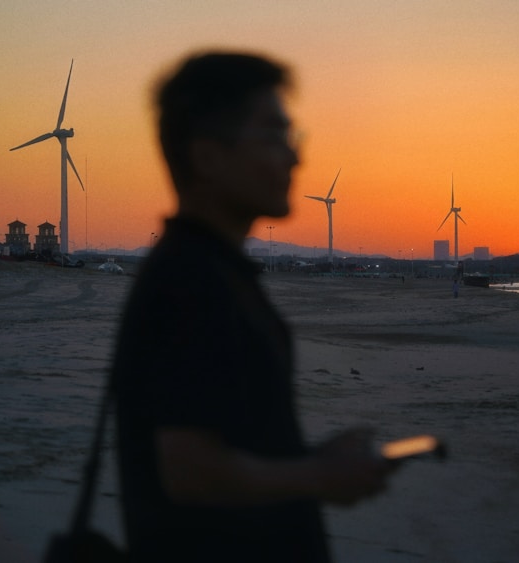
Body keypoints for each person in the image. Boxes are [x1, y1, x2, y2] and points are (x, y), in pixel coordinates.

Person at [111, 51, 396, 562]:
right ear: (207, 158)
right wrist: (320, 476)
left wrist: (312, 459)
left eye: (292, 136)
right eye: (272, 135)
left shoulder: (213, 272)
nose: (294, 157)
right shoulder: (190, 282)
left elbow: (229, 444)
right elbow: (190, 471)